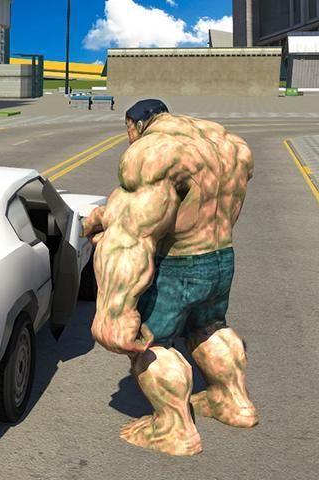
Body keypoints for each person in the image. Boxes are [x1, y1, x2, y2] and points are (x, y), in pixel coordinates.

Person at [81, 99, 258, 456]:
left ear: (133, 124)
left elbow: (132, 237)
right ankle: (233, 403)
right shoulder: (227, 144)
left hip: (176, 267)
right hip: (219, 257)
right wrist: (109, 214)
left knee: (150, 345)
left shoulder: (153, 152)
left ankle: (174, 429)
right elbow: (193, 207)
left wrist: (114, 311)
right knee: (209, 328)